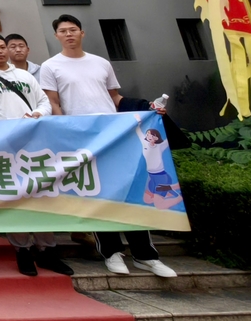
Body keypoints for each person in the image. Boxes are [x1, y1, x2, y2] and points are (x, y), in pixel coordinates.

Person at [39, 14, 176, 278]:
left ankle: (145, 255)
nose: (68, 34)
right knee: (98, 194)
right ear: (56, 36)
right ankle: (112, 253)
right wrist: (66, 133)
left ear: (82, 33)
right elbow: (53, 102)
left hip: (115, 136)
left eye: (73, 29)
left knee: (131, 191)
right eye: (63, 31)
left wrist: (145, 109)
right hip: (82, 138)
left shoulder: (101, 62)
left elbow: (115, 98)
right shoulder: (50, 66)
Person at [0, 34, 71, 277]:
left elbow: (44, 102)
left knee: (41, 195)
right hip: (3, 149)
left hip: (34, 146)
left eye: (2, 47)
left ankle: (46, 250)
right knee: (14, 199)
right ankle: (22, 250)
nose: (0, 51)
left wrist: (37, 114)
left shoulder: (24, 76)